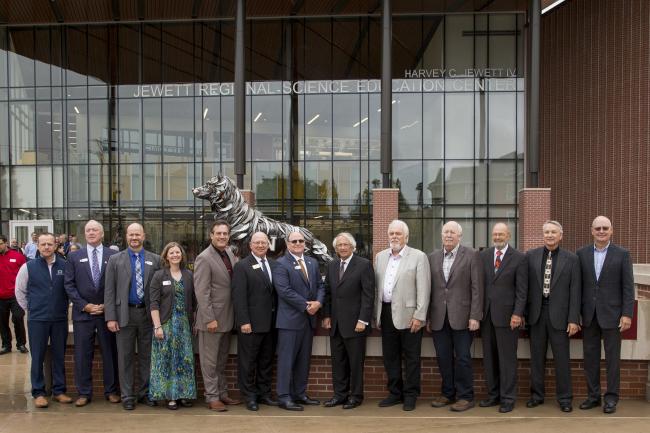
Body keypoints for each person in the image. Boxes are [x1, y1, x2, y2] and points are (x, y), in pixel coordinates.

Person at [577, 216, 634, 414]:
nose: (601, 231)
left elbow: (628, 287)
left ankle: (611, 399)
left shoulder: (623, 254)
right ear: (592, 231)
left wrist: (627, 314)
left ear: (611, 231)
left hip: (613, 315)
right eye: (598, 228)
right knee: (590, 358)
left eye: (605, 228)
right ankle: (593, 397)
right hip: (589, 315)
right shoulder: (581, 254)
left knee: (612, 360)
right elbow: (578, 287)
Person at [374, 220, 430, 411]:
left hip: (410, 315)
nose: (394, 236)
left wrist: (420, 316)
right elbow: (377, 288)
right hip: (387, 313)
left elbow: (424, 288)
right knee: (390, 356)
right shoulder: (380, 257)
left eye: (398, 233)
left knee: (412, 358)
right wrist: (377, 314)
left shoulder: (418, 257)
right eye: (392, 233)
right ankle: (395, 393)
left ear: (406, 237)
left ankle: (410, 395)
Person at [428, 221, 483, 412]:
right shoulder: (433, 257)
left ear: (460, 236)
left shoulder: (471, 255)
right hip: (438, 317)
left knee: (463, 358)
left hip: (463, 316)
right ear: (441, 235)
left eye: (452, 232)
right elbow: (430, 289)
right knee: (443, 357)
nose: (448, 235)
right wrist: (427, 316)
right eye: (445, 232)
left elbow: (477, 288)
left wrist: (475, 316)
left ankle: (466, 396)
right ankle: (447, 393)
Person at [104, 223, 161, 410]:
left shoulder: (156, 259)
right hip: (123, 315)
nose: (134, 237)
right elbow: (109, 291)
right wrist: (110, 317)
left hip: (147, 315)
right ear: (126, 237)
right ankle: (127, 395)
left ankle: (145, 393)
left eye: (137, 234)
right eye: (131, 234)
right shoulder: (115, 260)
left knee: (147, 357)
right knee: (125, 357)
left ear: (143, 236)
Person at [526, 220, 581, 413]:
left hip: (560, 317)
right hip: (536, 316)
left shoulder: (572, 259)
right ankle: (536, 396)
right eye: (547, 232)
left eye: (553, 232)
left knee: (562, 360)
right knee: (536, 358)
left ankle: (565, 398)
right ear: (543, 235)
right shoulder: (530, 256)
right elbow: (525, 288)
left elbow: (575, 291)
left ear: (561, 235)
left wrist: (574, 319)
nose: (550, 235)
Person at [63, 220, 120, 407]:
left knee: (110, 354)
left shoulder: (113, 255)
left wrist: (107, 305)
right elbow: (69, 285)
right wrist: (84, 305)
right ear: (84, 234)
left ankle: (111, 391)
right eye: (88, 230)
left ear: (102, 234)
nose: (91, 232)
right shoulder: (73, 256)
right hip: (83, 315)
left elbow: (118, 284)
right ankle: (84, 393)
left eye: (95, 229)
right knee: (82, 355)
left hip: (106, 314)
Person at [15, 233, 72, 408]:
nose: (46, 247)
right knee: (37, 356)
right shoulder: (28, 267)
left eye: (49, 244)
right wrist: (31, 308)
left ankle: (59, 391)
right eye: (43, 244)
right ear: (37, 246)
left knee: (58, 355)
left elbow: (70, 290)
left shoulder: (65, 265)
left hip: (59, 319)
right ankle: (38, 392)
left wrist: (62, 306)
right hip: (37, 319)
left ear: (55, 246)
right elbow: (20, 291)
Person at [273, 230, 325, 411]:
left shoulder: (312, 263)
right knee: (287, 360)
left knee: (304, 360)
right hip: (290, 322)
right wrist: (307, 305)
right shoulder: (281, 264)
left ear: (305, 244)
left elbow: (320, 285)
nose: (297, 243)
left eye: (300, 241)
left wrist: (318, 303)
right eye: (293, 241)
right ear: (287, 244)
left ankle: (299, 394)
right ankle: (284, 396)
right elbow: (284, 291)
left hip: (308, 322)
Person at [322, 232, 375, 410]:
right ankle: (339, 395)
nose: (342, 248)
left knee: (355, 363)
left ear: (353, 247)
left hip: (356, 325)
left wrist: (363, 320)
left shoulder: (364, 265)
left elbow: (368, 296)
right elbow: (328, 293)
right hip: (336, 325)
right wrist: (327, 316)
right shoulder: (332, 265)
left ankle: (356, 396)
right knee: (338, 363)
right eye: (339, 245)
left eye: (345, 245)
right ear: (335, 248)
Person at [478, 223, 527, 413]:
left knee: (507, 360)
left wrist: (517, 313)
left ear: (508, 235)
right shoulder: (483, 256)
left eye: (501, 234)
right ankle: (493, 395)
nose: (497, 237)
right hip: (487, 315)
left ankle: (508, 398)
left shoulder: (519, 258)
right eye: (495, 234)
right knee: (489, 358)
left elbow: (522, 290)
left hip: (508, 318)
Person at [194, 221, 240, 412]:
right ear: (211, 235)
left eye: (225, 233)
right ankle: (212, 397)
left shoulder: (229, 253)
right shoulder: (204, 258)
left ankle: (222, 393)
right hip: (211, 320)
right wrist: (209, 318)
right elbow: (201, 291)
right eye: (218, 233)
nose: (222, 236)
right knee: (210, 362)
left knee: (221, 360)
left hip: (227, 317)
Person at [231, 232, 279, 411]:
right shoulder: (242, 266)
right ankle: (249, 396)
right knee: (248, 362)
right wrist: (244, 321)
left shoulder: (274, 265)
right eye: (257, 243)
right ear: (250, 245)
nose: (260, 245)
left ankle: (264, 394)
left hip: (271, 324)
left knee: (266, 361)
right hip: (250, 324)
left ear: (268, 245)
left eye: (264, 243)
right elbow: (239, 296)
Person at [149, 242, 196, 410]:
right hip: (166, 325)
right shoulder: (159, 275)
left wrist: (194, 322)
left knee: (184, 361)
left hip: (184, 325)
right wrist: (157, 326)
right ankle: (170, 397)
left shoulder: (189, 275)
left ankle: (183, 394)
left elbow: (194, 302)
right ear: (166, 256)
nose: (175, 255)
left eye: (178, 252)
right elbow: (153, 303)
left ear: (182, 255)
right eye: (172, 253)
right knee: (167, 361)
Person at [0, 234, 28, 354]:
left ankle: (21, 344)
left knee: (18, 318)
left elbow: (26, 275)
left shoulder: (18, 256)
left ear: (6, 243)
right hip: (1, 297)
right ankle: (6, 345)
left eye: (0, 243)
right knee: (2, 322)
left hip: (16, 295)